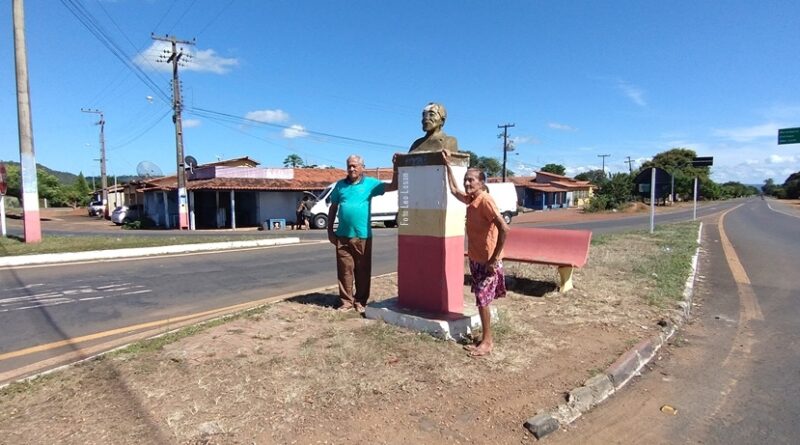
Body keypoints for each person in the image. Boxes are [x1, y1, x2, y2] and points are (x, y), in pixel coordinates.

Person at [444, 153, 509, 356]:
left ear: (481, 183)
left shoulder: (485, 201)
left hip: (489, 261)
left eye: (471, 179)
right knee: (482, 300)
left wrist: (494, 258)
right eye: (466, 179)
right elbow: (454, 190)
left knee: (482, 298)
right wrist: (447, 166)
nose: (467, 182)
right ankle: (485, 338)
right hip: (476, 259)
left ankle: (488, 342)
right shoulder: (472, 199)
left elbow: (504, 228)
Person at [327, 154, 398, 313]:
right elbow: (333, 208)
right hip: (342, 235)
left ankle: (361, 301)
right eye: (349, 166)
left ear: (362, 167)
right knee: (345, 270)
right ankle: (346, 301)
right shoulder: (340, 186)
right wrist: (330, 231)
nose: (351, 169)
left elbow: (394, 186)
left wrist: (395, 167)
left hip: (362, 236)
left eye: (354, 166)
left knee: (363, 271)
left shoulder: (370, 184)